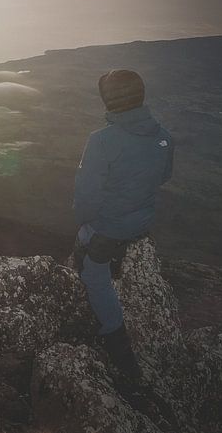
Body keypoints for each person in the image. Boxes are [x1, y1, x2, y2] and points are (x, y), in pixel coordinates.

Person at [72, 69, 173, 378]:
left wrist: (86, 221)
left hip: (110, 228)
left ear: (110, 101)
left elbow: (86, 198)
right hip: (142, 221)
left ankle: (115, 339)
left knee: (91, 270)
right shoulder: (164, 136)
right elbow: (164, 176)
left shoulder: (101, 140)